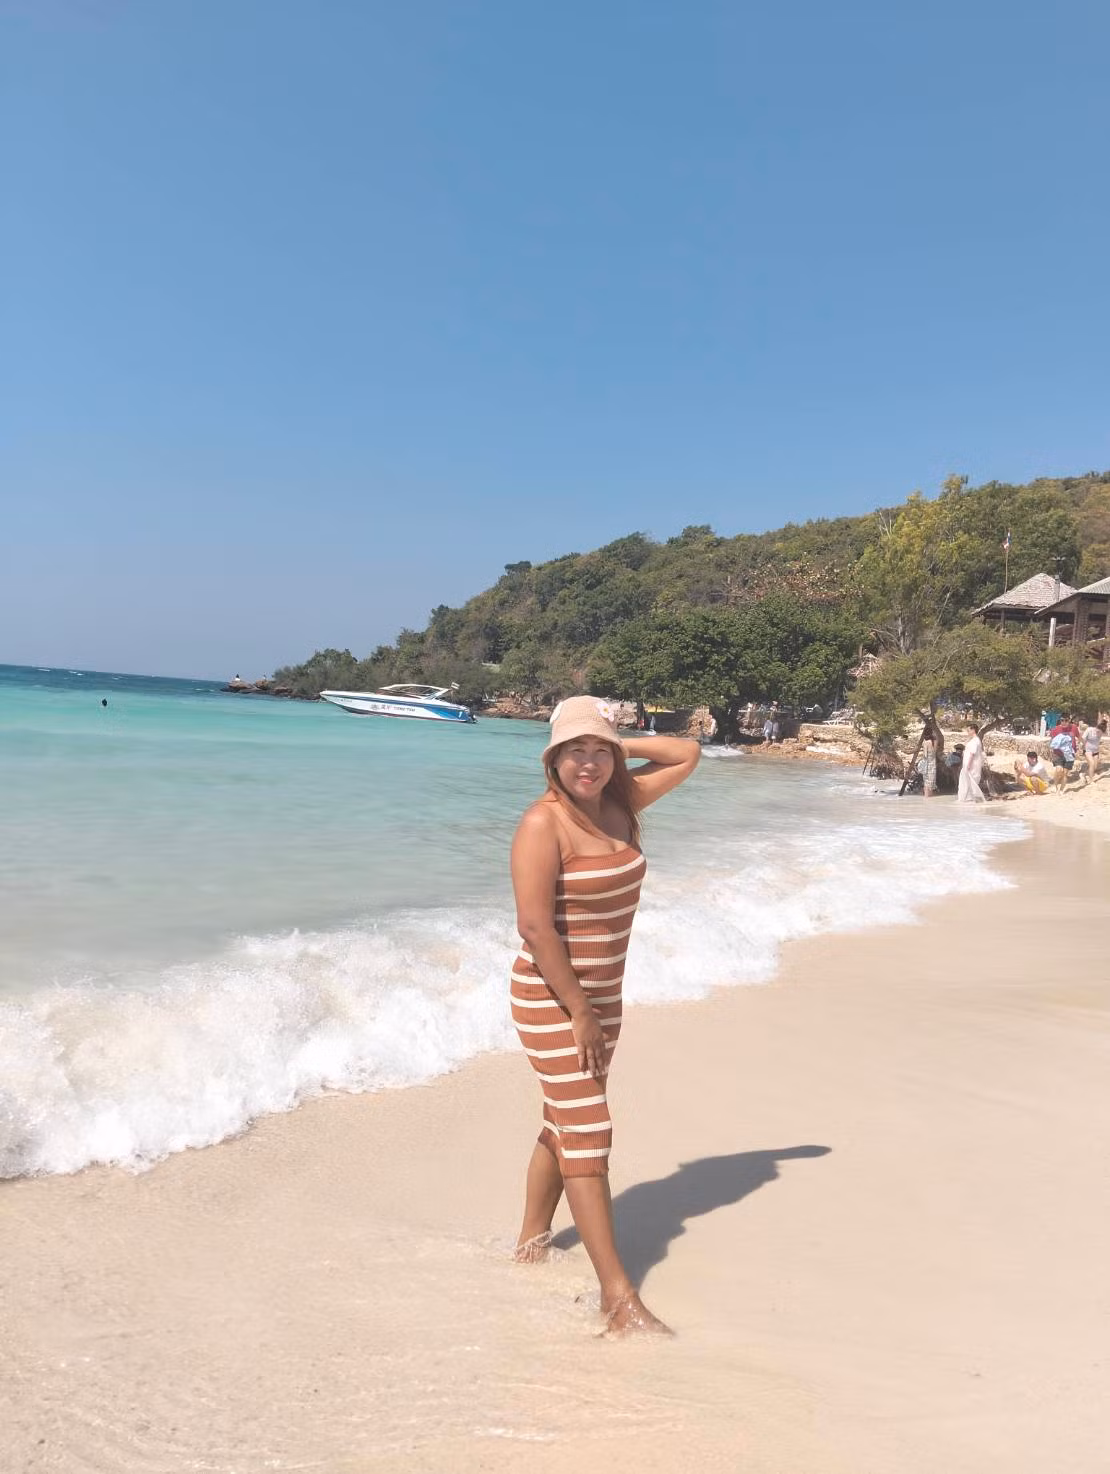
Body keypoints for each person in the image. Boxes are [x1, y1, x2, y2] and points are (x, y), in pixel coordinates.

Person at [509, 696, 700, 1335]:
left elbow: (686, 752)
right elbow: (535, 928)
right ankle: (617, 1300)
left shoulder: (621, 806)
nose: (587, 764)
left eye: (598, 753)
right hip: (553, 999)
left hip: (602, 999)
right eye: (574, 752)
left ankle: (530, 1244)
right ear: (553, 761)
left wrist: (617, 743)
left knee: (565, 1120)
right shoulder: (543, 825)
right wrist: (579, 1013)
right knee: (590, 1131)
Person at [957, 723, 987, 803]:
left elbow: (972, 754)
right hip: (969, 765)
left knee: (971, 782)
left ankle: (971, 799)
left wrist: (968, 765)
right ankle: (967, 800)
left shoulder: (975, 741)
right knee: (967, 782)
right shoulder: (973, 740)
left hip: (971, 766)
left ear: (973, 730)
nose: (967, 732)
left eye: (968, 730)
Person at [1048, 726, 1077, 792]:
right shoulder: (1055, 729)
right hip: (1059, 754)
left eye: (1066, 721)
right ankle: (1055, 786)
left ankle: (1061, 790)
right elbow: (1052, 742)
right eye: (1063, 721)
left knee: (1065, 773)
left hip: (1069, 755)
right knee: (1059, 770)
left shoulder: (1074, 728)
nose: (1064, 722)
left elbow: (1079, 737)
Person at [1080, 721, 1102, 785]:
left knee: (1095, 767)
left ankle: (1083, 774)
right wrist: (1082, 745)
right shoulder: (1089, 730)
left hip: (1096, 751)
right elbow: (1083, 738)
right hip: (1087, 750)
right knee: (1092, 764)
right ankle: (1091, 780)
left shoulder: (1101, 731)